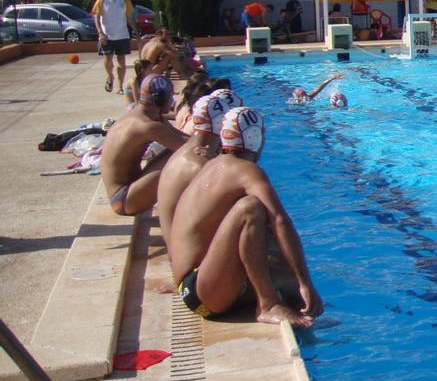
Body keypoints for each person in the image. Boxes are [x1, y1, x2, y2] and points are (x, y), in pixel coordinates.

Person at [169, 107, 323, 326]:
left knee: (284, 267)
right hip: (200, 291)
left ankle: (303, 312)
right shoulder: (246, 171)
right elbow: (280, 220)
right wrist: (306, 282)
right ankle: (268, 305)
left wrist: (298, 280)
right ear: (256, 138)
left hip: (198, 283)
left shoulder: (214, 164)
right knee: (251, 208)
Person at [157, 90, 241, 250]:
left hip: (179, 249)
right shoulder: (200, 165)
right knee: (250, 211)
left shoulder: (187, 150)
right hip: (190, 262)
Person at [100, 74, 191, 216]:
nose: (172, 101)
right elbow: (191, 148)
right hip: (124, 200)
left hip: (127, 192)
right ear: (160, 99)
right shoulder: (147, 126)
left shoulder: (141, 115)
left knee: (177, 152)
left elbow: (185, 138)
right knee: (184, 157)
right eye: (170, 96)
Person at [91, 0, 138, 94]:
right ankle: (110, 76)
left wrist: (136, 33)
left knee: (122, 61)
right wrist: (100, 33)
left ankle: (120, 86)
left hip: (122, 35)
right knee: (108, 59)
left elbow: (130, 17)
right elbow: (95, 15)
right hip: (107, 36)